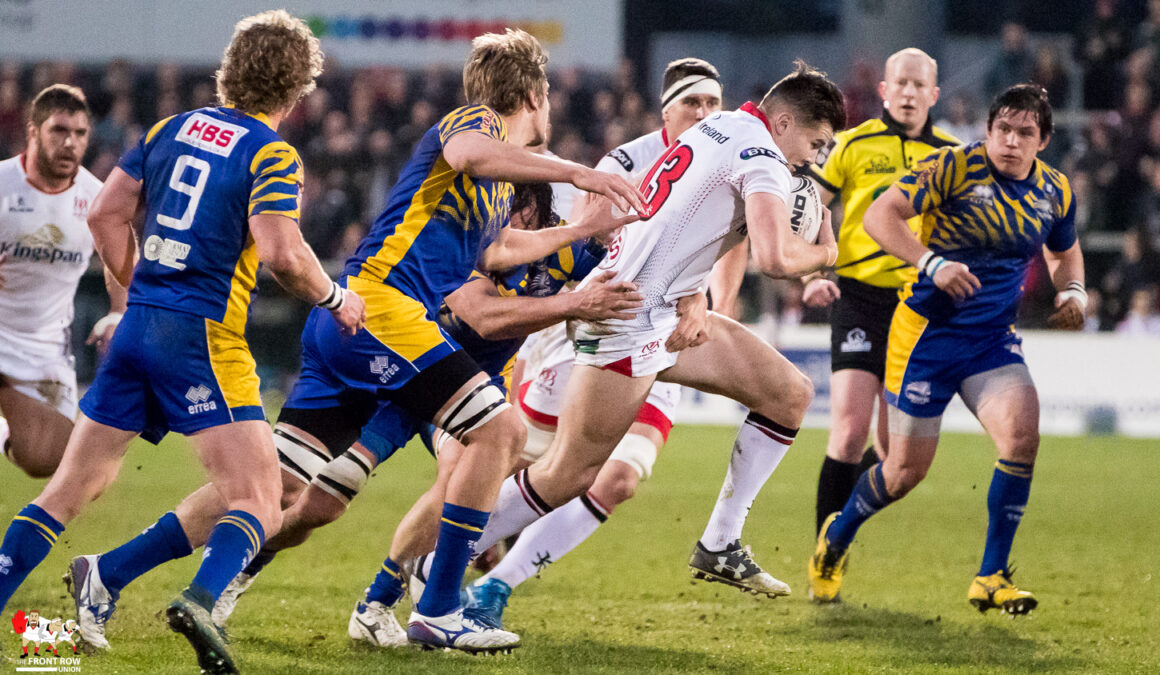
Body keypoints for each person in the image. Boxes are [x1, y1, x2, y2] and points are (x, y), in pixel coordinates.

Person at [67, 28, 643, 657]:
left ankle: (108, 570)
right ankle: (442, 607)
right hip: (381, 311)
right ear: (535, 93)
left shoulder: (500, 183)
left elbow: (499, 249)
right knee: (498, 434)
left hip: (355, 323)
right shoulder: (475, 127)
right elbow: (474, 154)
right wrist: (580, 171)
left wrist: (580, 229)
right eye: (548, 97)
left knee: (281, 488)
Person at [0, 11, 366, 675]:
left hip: (138, 325)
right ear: (295, 89)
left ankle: (90, 587)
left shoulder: (171, 128)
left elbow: (106, 211)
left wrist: (139, 282)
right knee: (261, 496)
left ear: (230, 71)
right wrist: (337, 297)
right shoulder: (272, 151)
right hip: (203, 336)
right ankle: (199, 598)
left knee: (67, 490)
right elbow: (284, 252)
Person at [431, 61, 846, 635]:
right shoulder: (762, 156)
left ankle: (721, 542)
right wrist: (826, 251)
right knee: (568, 475)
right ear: (782, 122)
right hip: (627, 317)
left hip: (658, 309)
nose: (816, 158)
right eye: (815, 142)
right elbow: (777, 260)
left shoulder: (717, 127)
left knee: (789, 394)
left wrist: (698, 292)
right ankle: (437, 566)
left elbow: (690, 221)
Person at [808, 84, 1086, 615]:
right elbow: (879, 216)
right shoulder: (953, 168)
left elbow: (1064, 252)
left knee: (1022, 437)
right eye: (1002, 129)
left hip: (990, 342)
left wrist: (1073, 290)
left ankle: (991, 575)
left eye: (1024, 133)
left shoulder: (1055, 192)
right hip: (926, 339)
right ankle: (836, 536)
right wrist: (930, 262)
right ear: (987, 131)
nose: (1010, 141)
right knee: (902, 474)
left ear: (1043, 141)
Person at [801, 49, 959, 542]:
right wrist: (809, 273)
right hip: (860, 298)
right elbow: (806, 208)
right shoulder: (851, 144)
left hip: (918, 307)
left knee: (895, 455)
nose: (910, 93)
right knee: (849, 431)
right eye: (901, 84)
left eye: (920, 86)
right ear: (885, 91)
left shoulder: (953, 157)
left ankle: (843, 525)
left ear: (934, 95)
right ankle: (825, 553)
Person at [0, 84, 126, 479]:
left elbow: (119, 251)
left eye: (80, 134)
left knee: (48, 460)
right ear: (33, 130)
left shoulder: (94, 196)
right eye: (58, 131)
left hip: (43, 346)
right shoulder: (3, 184)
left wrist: (119, 310)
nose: (70, 143)